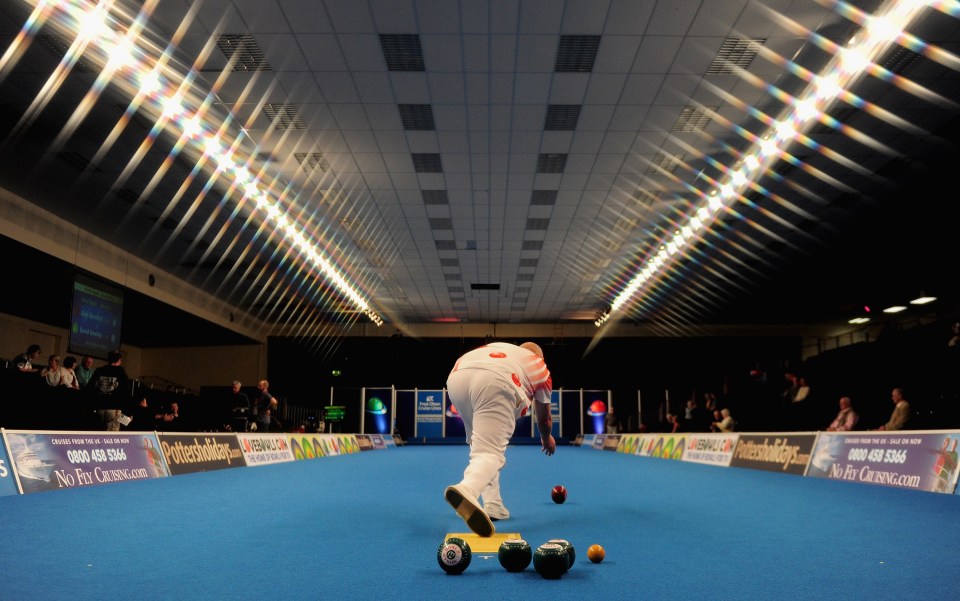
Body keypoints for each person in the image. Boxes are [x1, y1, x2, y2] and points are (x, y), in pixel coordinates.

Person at [443, 341, 556, 538]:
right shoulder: (539, 365)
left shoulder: (503, 349)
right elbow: (544, 418)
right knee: (490, 453)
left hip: (457, 376)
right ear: (541, 357)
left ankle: (493, 504)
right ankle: (467, 489)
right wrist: (546, 438)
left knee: (480, 448)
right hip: (496, 381)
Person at [87, 350, 131, 431]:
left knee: (98, 437)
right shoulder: (121, 372)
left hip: (99, 409)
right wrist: (128, 412)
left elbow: (89, 389)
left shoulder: (99, 371)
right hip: (114, 410)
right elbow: (126, 393)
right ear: (118, 360)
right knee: (110, 439)